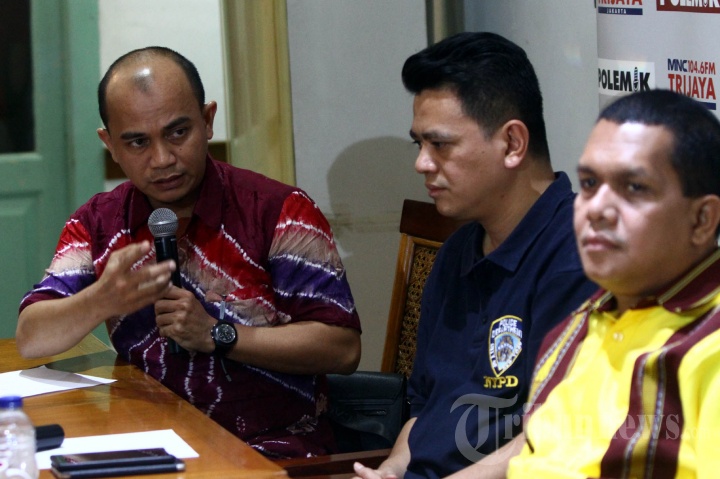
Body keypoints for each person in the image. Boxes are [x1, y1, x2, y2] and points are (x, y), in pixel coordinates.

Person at [15, 46, 362, 459]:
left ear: (208, 120)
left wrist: (218, 334)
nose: (162, 159)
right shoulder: (98, 222)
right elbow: (31, 338)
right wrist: (100, 300)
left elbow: (342, 349)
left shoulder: (278, 211)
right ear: (110, 144)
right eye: (138, 142)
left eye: (178, 133)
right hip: (147, 442)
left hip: (269, 449)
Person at [353, 32, 597, 479]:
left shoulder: (582, 252)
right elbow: (426, 410)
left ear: (512, 144)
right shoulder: (457, 251)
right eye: (419, 145)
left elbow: (558, 433)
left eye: (440, 145)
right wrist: (391, 468)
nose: (422, 163)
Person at [450, 89, 720, 478]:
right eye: (590, 183)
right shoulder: (582, 320)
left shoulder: (708, 342)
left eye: (635, 187)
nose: (597, 209)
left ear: (702, 219)